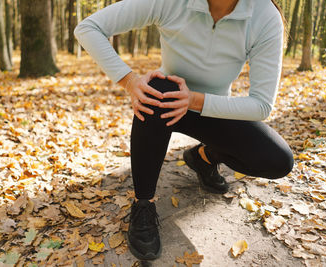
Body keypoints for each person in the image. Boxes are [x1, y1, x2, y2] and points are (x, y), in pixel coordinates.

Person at [74, 0, 294, 261]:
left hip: (214, 110)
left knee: (279, 160)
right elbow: (88, 28)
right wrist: (130, 80)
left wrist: (194, 101)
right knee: (157, 90)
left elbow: (261, 105)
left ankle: (203, 158)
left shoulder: (264, 15)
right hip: (166, 103)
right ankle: (143, 204)